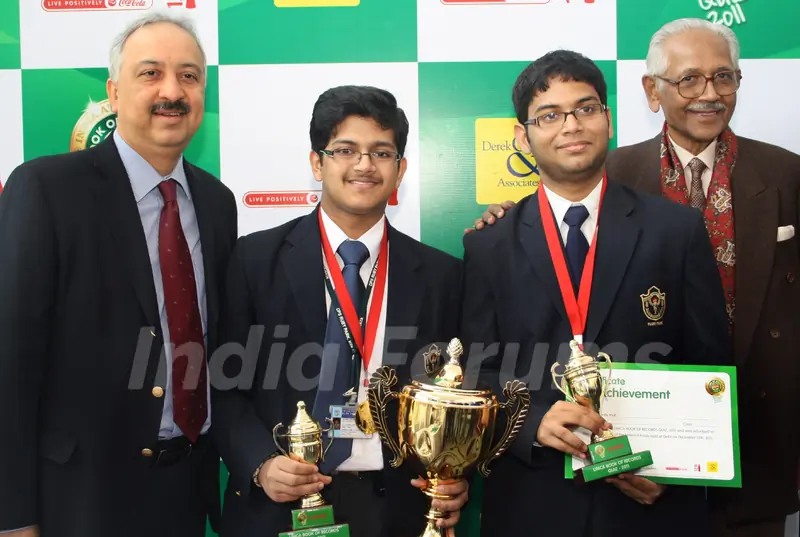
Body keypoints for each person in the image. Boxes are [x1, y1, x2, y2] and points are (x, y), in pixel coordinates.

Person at [470, 18, 800, 537]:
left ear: (608, 118)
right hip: (533, 500)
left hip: (653, 499)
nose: (571, 126)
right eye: (550, 115)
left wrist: (672, 465)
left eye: (585, 110)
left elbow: (707, 360)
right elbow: (478, 369)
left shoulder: (677, 227)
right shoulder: (489, 244)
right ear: (523, 134)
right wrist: (533, 423)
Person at [0, 12, 238, 537]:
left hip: (186, 489)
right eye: (150, 73)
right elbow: (10, 361)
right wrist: (14, 516)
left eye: (190, 76)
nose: (171, 91)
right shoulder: (45, 188)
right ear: (112, 90)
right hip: (78, 498)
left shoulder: (217, 203)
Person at [210, 85, 468, 537]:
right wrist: (260, 465)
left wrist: (453, 471)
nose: (364, 165)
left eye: (381, 152)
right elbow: (221, 387)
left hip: (400, 508)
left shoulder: (442, 274)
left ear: (400, 168)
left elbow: (458, 396)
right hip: (283, 501)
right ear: (317, 162)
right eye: (346, 149)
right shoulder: (254, 260)